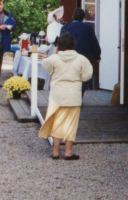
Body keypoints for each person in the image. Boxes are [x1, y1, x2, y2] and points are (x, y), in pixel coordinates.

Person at [38, 32, 93, 160]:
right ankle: (68, 151)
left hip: (57, 95)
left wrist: (55, 53)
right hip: (73, 94)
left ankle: (55, 151)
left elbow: (45, 65)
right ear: (73, 45)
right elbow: (87, 75)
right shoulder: (81, 59)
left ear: (59, 46)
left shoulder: (54, 58)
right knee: (71, 123)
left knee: (57, 122)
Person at [61, 8, 101, 92]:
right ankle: (79, 96)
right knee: (83, 78)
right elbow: (94, 43)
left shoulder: (65, 27)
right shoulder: (88, 28)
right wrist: (97, 56)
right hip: (85, 57)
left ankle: (70, 95)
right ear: (83, 18)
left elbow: (61, 43)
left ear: (73, 16)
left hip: (69, 57)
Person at [0, 0, 16, 89]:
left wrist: (11, 27)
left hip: (4, 39)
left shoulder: (7, 14)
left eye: (0, 4)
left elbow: (14, 24)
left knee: (0, 60)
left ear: (3, 5)